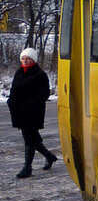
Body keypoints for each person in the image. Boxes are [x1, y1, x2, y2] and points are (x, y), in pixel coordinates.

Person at [7, 47, 58, 178]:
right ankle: (49, 156)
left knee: (29, 138)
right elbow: (14, 90)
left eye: (28, 58)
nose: (25, 60)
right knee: (32, 138)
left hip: (33, 112)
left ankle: (27, 168)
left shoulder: (40, 75)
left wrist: (30, 104)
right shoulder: (19, 72)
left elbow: (44, 93)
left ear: (33, 60)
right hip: (19, 111)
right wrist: (11, 100)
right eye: (23, 58)